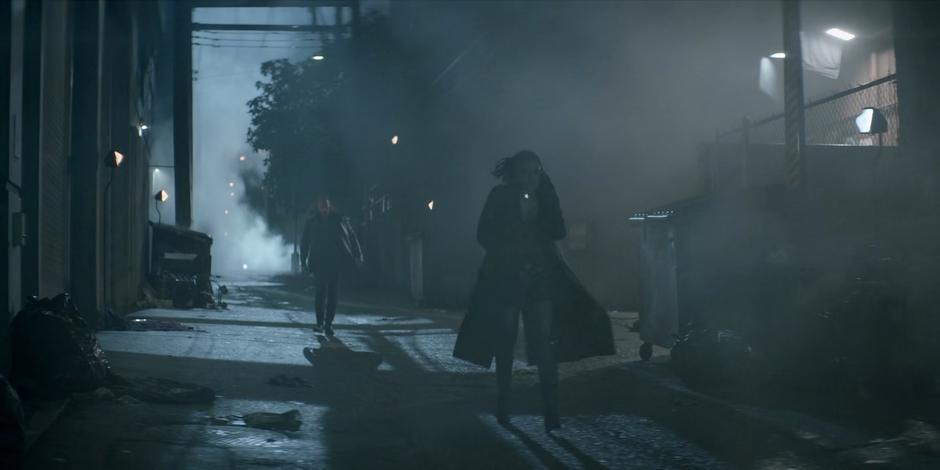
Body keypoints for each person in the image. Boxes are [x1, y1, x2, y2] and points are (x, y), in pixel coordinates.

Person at [453, 150, 615, 432]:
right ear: (513, 174)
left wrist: (547, 195)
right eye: (524, 172)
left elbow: (558, 231)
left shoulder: (545, 195)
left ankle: (552, 410)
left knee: (542, 342)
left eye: (535, 172)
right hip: (506, 276)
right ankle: (504, 404)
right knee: (505, 341)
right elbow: (484, 234)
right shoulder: (499, 196)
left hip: (539, 276)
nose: (530, 178)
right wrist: (508, 250)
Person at [300, 196, 363, 336]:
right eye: (322, 207)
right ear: (318, 207)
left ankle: (328, 323)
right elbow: (304, 242)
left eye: (326, 207)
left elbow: (352, 237)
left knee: (332, 293)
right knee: (320, 293)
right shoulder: (312, 222)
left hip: (335, 262)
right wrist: (303, 260)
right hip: (318, 262)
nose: (324, 210)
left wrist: (358, 255)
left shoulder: (339, 220)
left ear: (329, 207)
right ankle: (320, 323)